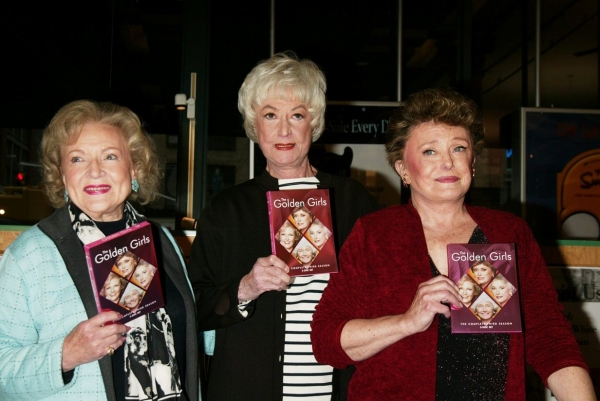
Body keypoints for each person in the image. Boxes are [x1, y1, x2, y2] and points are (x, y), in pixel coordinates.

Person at [311, 88, 595, 400]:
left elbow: (551, 339)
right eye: (429, 151)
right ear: (403, 169)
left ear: (473, 163)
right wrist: (406, 322)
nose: (447, 162)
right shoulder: (374, 234)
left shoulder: (509, 232)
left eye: (459, 149)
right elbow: (326, 342)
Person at [189, 52, 380, 400]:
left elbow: (382, 292)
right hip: (248, 387)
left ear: (314, 123)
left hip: (339, 387)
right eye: (270, 115)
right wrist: (245, 288)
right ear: (254, 125)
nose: (283, 130)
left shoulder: (352, 200)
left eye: (297, 115)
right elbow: (193, 307)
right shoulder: (226, 209)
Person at [0, 100, 200, 400]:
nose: (94, 171)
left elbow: (190, 335)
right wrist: (66, 355)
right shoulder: (31, 253)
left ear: (133, 168)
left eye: (109, 156)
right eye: (77, 159)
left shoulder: (160, 239)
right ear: (63, 175)